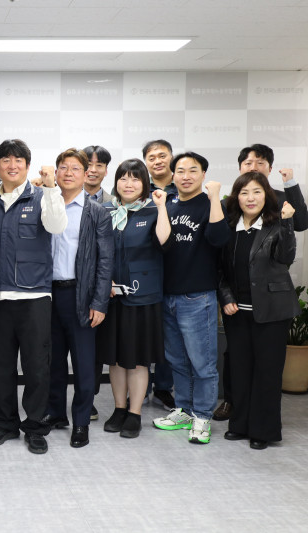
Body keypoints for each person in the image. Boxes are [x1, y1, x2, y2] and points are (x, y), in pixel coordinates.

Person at [214, 143, 308, 422]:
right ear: (239, 169)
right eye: (248, 163)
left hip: (269, 301)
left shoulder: (278, 202)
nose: (253, 167)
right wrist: (225, 295)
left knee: (267, 365)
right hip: (237, 302)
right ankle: (233, 406)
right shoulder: (229, 207)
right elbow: (218, 257)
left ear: (270, 168)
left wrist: (290, 184)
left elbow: (299, 225)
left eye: (260, 163)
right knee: (236, 360)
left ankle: (262, 423)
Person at [0, 139, 67, 455]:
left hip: (34, 297)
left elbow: (57, 226)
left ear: (27, 166)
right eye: (5, 160)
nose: (12, 165)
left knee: (36, 367)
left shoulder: (42, 196)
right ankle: (5, 423)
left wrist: (51, 187)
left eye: (18, 160)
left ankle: (35, 426)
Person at [152, 152, 230, 445]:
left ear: (203, 174)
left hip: (198, 297)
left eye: (193, 170)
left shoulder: (212, 204)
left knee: (202, 363)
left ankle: (203, 416)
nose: (186, 176)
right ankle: (184, 410)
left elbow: (219, 239)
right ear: (172, 175)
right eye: (181, 171)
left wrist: (215, 197)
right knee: (177, 361)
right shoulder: (168, 204)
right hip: (167, 296)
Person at [218, 172, 299, 450]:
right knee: (240, 371)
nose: (250, 198)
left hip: (272, 312)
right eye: (244, 193)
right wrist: (226, 297)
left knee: (267, 373)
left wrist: (287, 222)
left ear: (266, 196)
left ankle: (263, 430)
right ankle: (239, 424)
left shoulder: (276, 225)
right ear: (236, 197)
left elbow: (286, 257)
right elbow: (219, 269)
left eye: (256, 192)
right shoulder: (229, 228)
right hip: (237, 313)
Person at [42, 148, 113, 448]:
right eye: (63, 167)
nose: (68, 173)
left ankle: (81, 421)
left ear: (86, 175)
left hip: (80, 296)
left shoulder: (97, 212)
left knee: (84, 364)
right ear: (56, 173)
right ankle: (55, 412)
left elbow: (105, 261)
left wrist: (99, 302)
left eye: (75, 168)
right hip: (47, 296)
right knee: (52, 360)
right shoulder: (45, 205)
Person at [96, 159, 172, 439]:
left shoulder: (152, 209)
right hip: (111, 297)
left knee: (138, 360)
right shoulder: (105, 210)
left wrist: (162, 207)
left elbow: (164, 242)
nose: (128, 184)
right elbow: (97, 251)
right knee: (115, 359)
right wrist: (104, 282)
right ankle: (119, 408)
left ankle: (135, 412)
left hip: (144, 298)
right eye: (123, 178)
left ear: (145, 183)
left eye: (135, 179)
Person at [141, 139, 177, 410]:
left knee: (168, 336)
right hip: (145, 272)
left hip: (175, 272)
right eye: (151, 157)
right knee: (142, 332)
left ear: (171, 157)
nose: (157, 161)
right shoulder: (140, 189)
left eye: (162, 155)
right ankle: (140, 387)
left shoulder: (183, 187)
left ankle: (163, 388)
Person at [82, 144, 113, 420]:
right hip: (70, 284)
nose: (93, 170)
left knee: (93, 349)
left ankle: (88, 398)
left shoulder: (115, 203)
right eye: (88, 164)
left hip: (102, 286)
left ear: (106, 170)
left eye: (99, 165)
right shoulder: (61, 198)